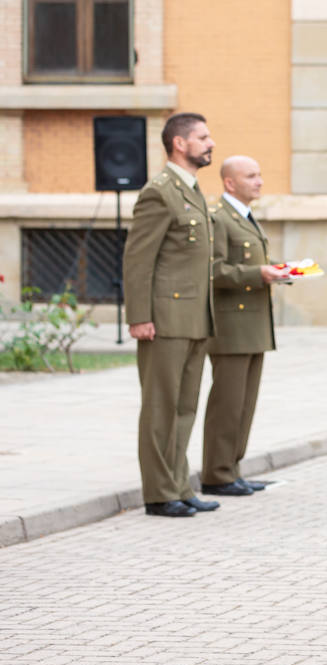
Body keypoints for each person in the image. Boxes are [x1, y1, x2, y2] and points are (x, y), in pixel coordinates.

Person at [122, 112, 221, 518]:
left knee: (184, 407)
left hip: (195, 317)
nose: (210, 142)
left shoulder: (192, 190)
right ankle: (159, 492)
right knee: (161, 407)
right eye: (203, 137)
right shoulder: (159, 192)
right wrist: (139, 316)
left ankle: (179, 485)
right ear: (180, 144)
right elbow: (138, 260)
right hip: (164, 319)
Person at [202, 156, 290, 497]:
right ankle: (216, 473)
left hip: (253, 327)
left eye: (259, 174)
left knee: (244, 405)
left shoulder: (244, 216)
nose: (259, 181)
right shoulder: (219, 219)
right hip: (231, 329)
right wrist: (260, 274)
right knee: (227, 404)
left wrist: (276, 272)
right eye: (250, 176)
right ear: (229, 182)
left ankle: (231, 469)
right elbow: (214, 271)